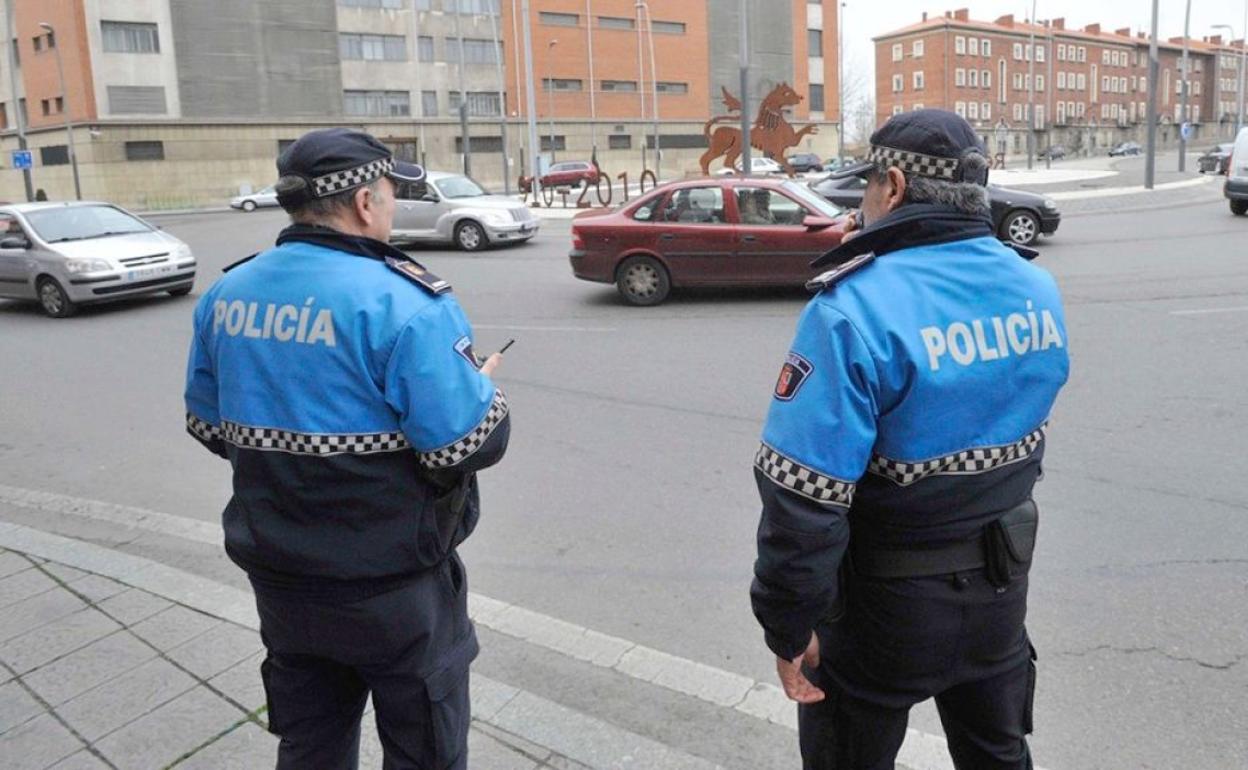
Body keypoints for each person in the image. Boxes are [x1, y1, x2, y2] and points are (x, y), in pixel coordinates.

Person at [750, 109, 1069, 770]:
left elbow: (803, 501)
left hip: (883, 609)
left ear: (892, 186)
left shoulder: (851, 309)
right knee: (998, 757)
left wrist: (787, 624)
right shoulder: (1037, 289)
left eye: (869, 183)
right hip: (1002, 591)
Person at [184, 127, 510, 770]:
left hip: (279, 576)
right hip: (392, 589)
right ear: (365, 201)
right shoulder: (405, 300)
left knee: (310, 743)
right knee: (424, 750)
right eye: (390, 192)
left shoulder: (228, 294)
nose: (391, 206)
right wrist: (479, 388)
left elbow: (210, 429)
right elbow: (466, 447)